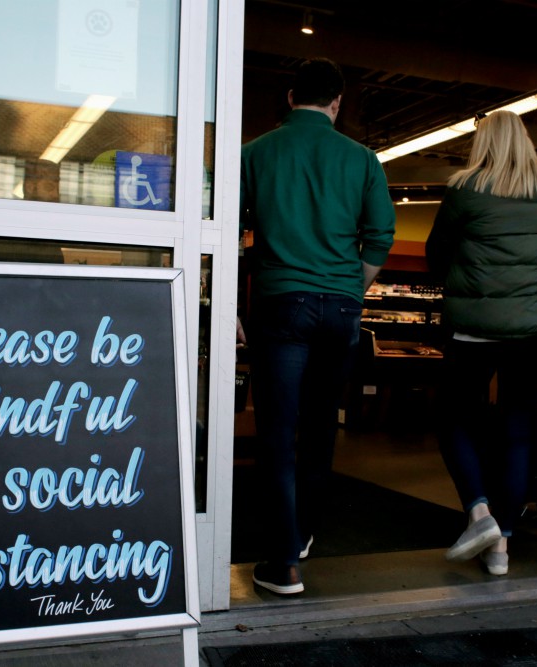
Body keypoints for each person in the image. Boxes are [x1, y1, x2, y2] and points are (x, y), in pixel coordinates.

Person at [239, 57, 395, 595]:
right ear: (337, 103)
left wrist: (238, 306)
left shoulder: (255, 154)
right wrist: (353, 285)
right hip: (341, 310)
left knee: (278, 433)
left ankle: (283, 562)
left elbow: (226, 230)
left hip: (281, 304)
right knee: (322, 427)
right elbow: (379, 237)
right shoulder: (363, 159)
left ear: (289, 98)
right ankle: (304, 531)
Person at [425, 110, 537, 577]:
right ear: (524, 141)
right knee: (517, 432)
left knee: (453, 418)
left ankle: (479, 514)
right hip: (530, 330)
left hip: (473, 330)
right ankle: (501, 547)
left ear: (482, 143)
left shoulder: (465, 189)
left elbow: (436, 255)